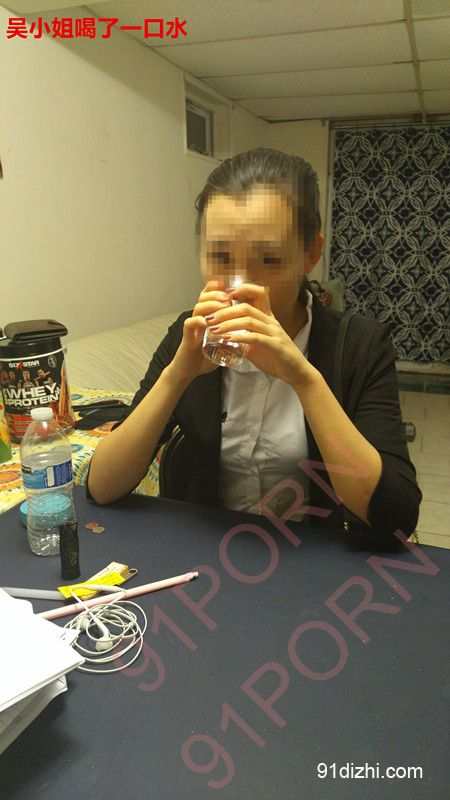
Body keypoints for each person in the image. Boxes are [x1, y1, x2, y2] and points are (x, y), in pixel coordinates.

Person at [87, 148, 421, 544]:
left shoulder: (360, 345)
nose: (241, 284)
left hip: (313, 557)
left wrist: (304, 379)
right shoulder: (189, 334)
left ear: (311, 255)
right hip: (206, 551)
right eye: (220, 256)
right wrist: (176, 376)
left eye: (269, 259)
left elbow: (395, 518)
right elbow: (102, 487)